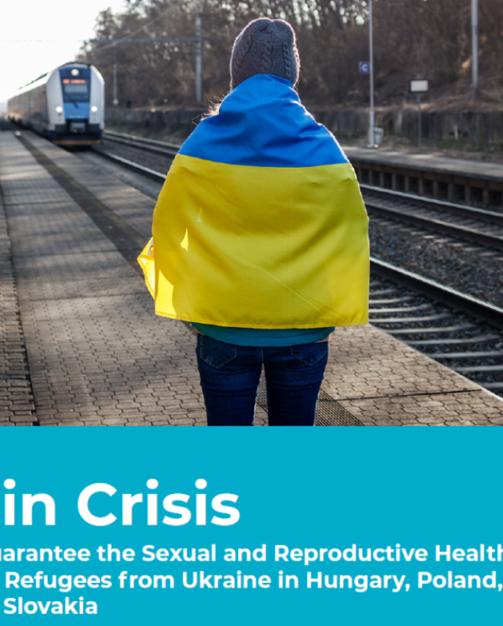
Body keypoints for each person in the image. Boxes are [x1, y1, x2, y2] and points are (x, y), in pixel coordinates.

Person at [138, 18, 370, 426]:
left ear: (236, 75)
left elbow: (169, 227)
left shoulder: (203, 143)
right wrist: (327, 309)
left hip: (223, 327)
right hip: (304, 328)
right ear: (292, 76)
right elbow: (351, 232)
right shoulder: (322, 145)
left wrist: (190, 304)